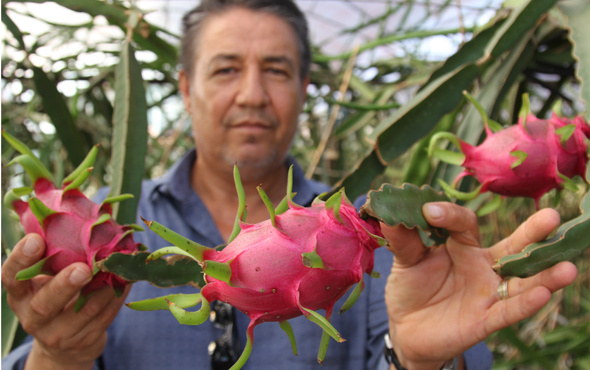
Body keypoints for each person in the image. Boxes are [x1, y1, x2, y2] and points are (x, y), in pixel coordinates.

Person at [1, 1, 578, 369]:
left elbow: (422, 348)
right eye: (226, 69)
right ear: (183, 87)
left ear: (304, 88)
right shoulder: (114, 247)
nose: (252, 94)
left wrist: (417, 362)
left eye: (276, 70)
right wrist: (57, 355)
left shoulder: (376, 246)